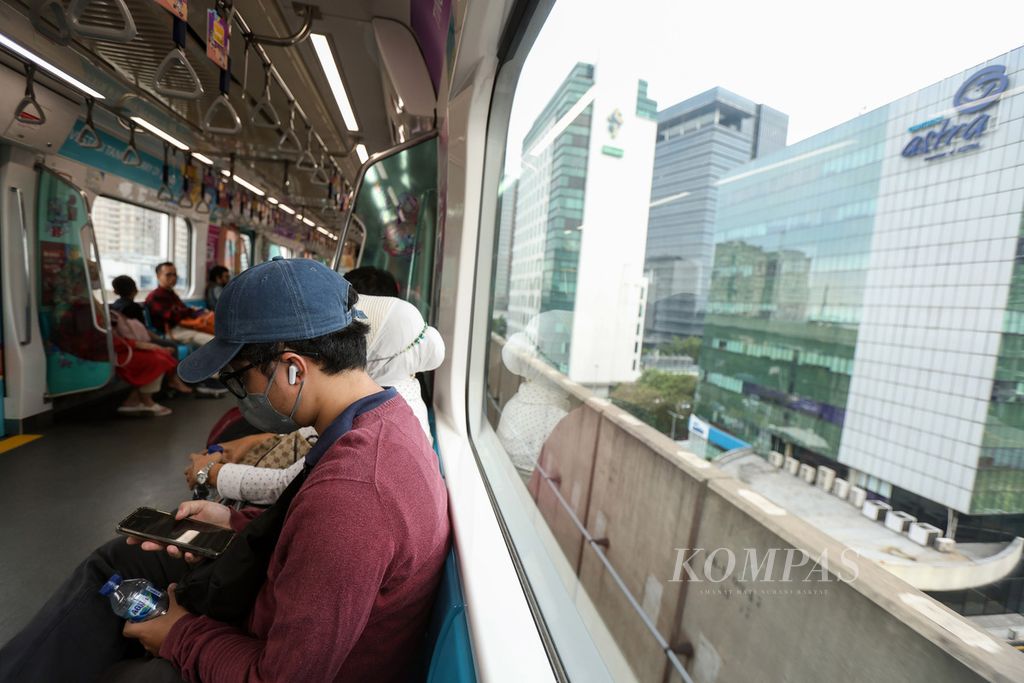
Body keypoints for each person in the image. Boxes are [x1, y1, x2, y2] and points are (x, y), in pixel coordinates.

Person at [0, 257, 450, 683]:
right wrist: (234, 525)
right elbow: (313, 542)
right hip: (282, 610)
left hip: (291, 661)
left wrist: (177, 635)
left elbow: (280, 677)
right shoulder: (382, 417)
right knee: (121, 559)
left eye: (241, 378)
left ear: (294, 370)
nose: (240, 395)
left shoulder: (354, 497)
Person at [183, 293, 446, 504]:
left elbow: (288, 483)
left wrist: (210, 473)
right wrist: (243, 445)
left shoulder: (360, 460)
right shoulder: (390, 396)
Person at [144, 262, 213, 346]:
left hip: (183, 326)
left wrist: (195, 311)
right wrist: (190, 310)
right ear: (158, 276)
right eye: (168, 275)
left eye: (175, 275)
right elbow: (171, 315)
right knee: (212, 340)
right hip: (172, 331)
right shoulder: (154, 296)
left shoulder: (171, 293)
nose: (173, 278)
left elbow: (181, 310)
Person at [110, 275, 178, 350]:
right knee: (172, 345)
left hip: (124, 339)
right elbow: (143, 330)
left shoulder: (114, 306)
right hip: (138, 340)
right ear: (135, 290)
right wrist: (160, 339)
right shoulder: (134, 307)